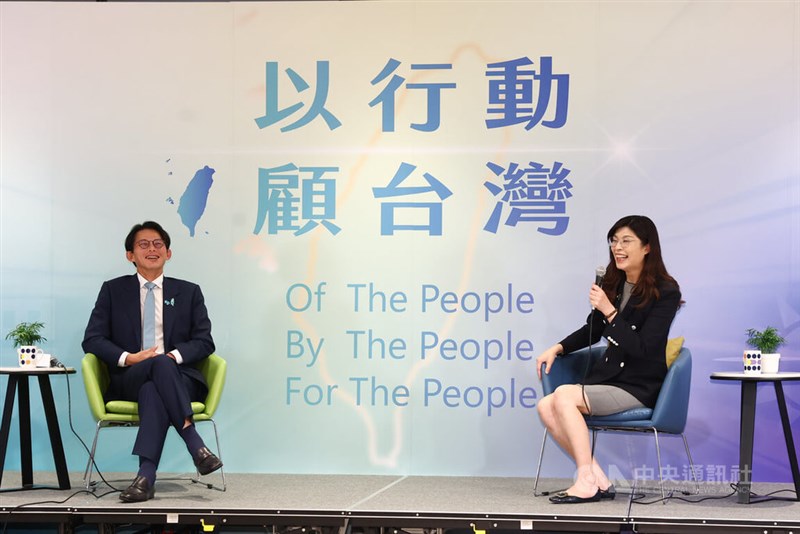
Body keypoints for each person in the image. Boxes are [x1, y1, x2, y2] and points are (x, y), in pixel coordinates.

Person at [534, 215, 682, 504]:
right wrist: (558, 347)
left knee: (563, 396)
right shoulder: (613, 283)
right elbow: (593, 329)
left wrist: (610, 311)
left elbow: (643, 348)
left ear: (647, 247)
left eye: (626, 241)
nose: (618, 247)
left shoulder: (665, 291)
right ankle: (595, 477)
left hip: (638, 385)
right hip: (608, 379)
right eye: (614, 241)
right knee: (545, 406)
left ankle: (586, 480)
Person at [83, 221, 222, 502]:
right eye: (143, 244)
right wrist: (128, 358)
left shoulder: (189, 292)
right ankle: (195, 444)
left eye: (158, 244)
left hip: (180, 377)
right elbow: (93, 339)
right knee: (152, 375)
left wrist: (172, 356)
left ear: (168, 254)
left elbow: (204, 342)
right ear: (130, 255)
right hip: (129, 376)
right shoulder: (113, 291)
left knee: (155, 382)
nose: (152, 249)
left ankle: (146, 476)